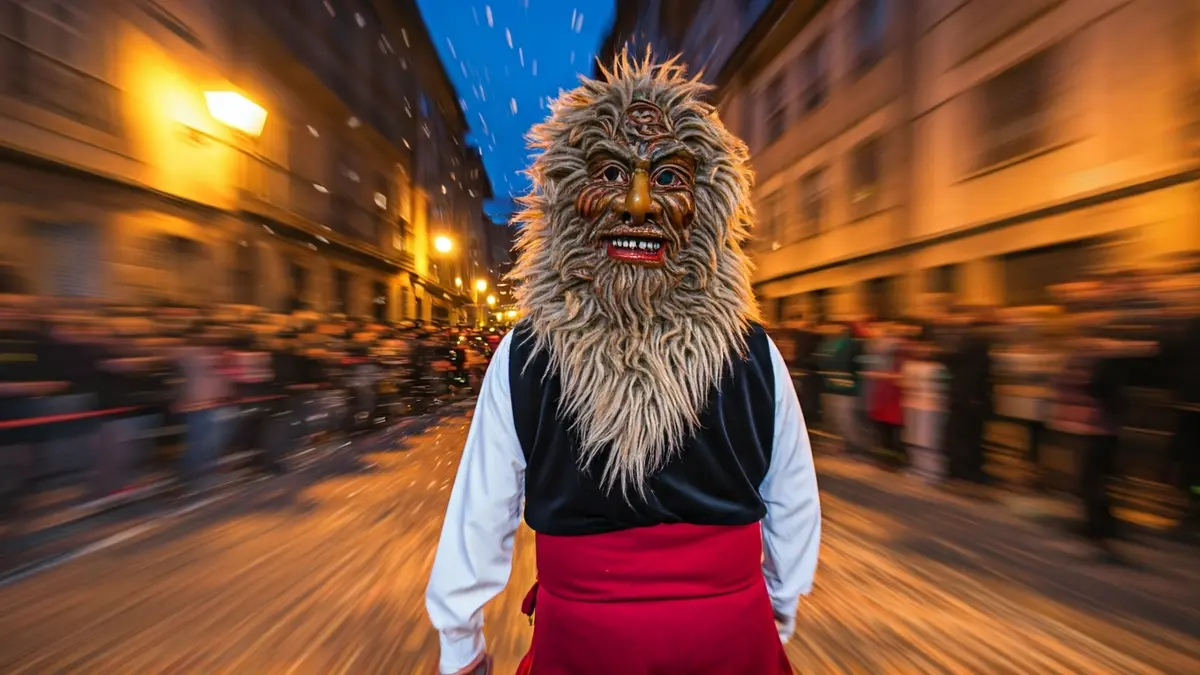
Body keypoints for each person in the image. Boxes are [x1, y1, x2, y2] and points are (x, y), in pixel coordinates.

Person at [425, 54, 821, 675]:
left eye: (668, 178)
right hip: (725, 638)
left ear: (710, 204)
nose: (638, 206)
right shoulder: (756, 353)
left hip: (587, 644)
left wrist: (460, 647)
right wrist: (775, 611)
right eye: (610, 172)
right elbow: (792, 504)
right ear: (564, 199)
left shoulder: (525, 354)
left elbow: (481, 514)